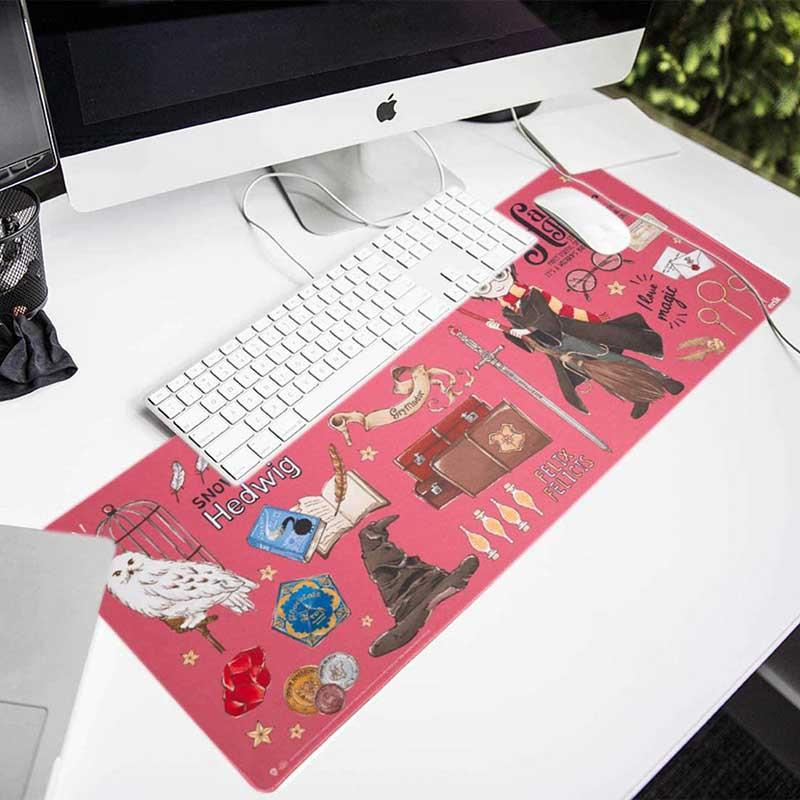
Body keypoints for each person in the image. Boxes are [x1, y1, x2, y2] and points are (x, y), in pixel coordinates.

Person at [473, 265, 684, 419]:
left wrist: (526, 329)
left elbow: (547, 318)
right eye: (484, 287)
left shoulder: (532, 294)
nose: (495, 285)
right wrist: (506, 332)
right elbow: (529, 341)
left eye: (498, 275)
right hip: (555, 348)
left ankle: (664, 379)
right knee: (601, 374)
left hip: (571, 335)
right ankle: (637, 396)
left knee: (611, 359)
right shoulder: (507, 311)